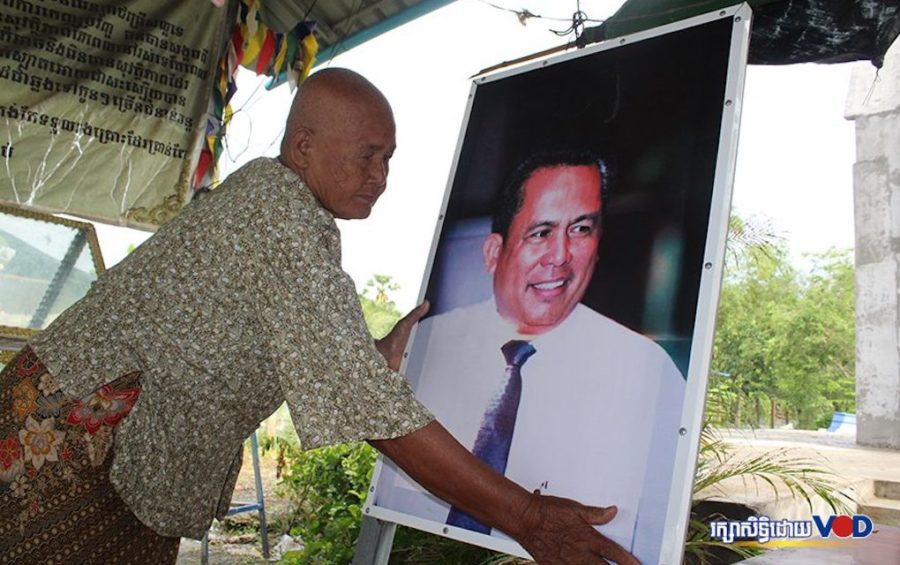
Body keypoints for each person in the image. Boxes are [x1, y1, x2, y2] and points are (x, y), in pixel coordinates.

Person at [0, 69, 639, 564]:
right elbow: (367, 408)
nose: (381, 176)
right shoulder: (276, 216)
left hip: (103, 452)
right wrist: (528, 519)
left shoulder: (285, 209)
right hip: (66, 450)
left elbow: (319, 354)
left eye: (389, 157)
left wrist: (370, 357)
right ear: (304, 147)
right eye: (366, 155)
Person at [376, 151, 686, 564]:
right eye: (541, 232)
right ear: (492, 252)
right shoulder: (423, 344)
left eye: (580, 229)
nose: (560, 255)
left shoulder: (647, 371)